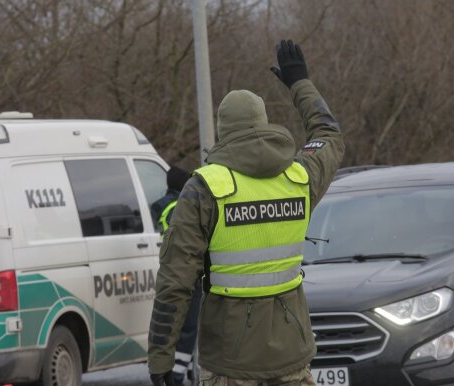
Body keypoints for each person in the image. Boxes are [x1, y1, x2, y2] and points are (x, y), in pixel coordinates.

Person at [147, 39, 345, 386]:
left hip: (230, 363)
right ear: (264, 124)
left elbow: (175, 282)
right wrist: (300, 82)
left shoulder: (205, 188)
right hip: (292, 356)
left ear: (223, 132)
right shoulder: (299, 178)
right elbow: (329, 133)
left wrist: (161, 356)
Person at [151, 165, 201, 385]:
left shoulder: (159, 205)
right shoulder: (181, 206)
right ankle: (179, 374)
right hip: (186, 270)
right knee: (188, 327)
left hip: (166, 269)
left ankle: (177, 371)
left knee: (169, 326)